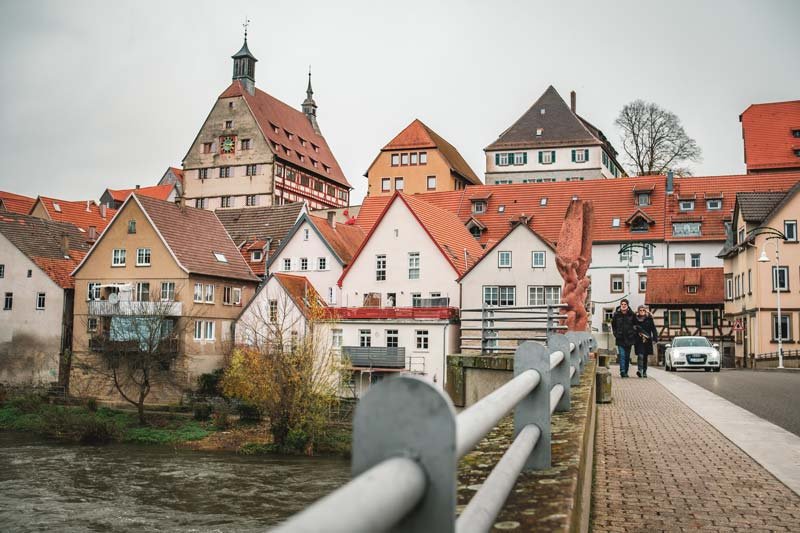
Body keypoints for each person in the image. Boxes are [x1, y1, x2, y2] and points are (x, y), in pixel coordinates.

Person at [611, 299, 637, 377]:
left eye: (625, 304)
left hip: (629, 338)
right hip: (620, 338)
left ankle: (626, 371)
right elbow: (613, 325)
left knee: (627, 356)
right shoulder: (616, 315)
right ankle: (622, 371)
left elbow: (635, 325)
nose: (623, 305)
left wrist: (633, 333)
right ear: (620, 305)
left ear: (627, 305)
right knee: (622, 355)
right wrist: (615, 334)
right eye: (622, 304)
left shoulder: (631, 314)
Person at [633, 305, 658, 378]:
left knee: (645, 357)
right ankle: (640, 370)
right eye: (640, 310)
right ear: (638, 311)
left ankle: (644, 371)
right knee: (640, 355)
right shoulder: (635, 319)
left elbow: (653, 329)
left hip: (647, 340)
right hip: (639, 340)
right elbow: (633, 328)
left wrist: (655, 339)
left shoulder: (649, 319)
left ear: (645, 311)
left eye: (643, 310)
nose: (642, 312)